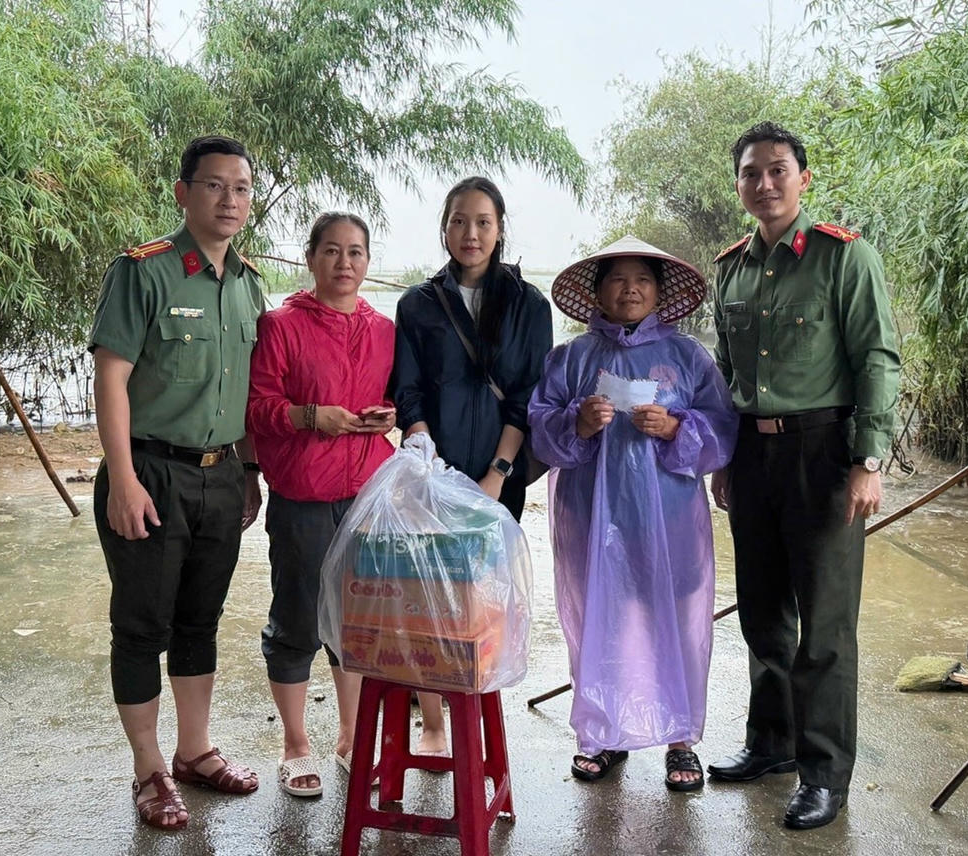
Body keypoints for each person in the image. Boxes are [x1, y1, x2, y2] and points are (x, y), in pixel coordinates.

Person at [707, 122, 901, 830]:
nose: (764, 183)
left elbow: (877, 358)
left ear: (802, 178)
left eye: (777, 170)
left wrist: (866, 460)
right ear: (738, 185)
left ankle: (824, 774)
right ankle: (771, 744)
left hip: (822, 451)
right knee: (762, 612)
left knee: (824, 626)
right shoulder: (729, 267)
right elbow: (726, 372)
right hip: (752, 457)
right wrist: (724, 456)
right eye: (750, 173)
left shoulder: (842, 258)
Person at [90, 135, 264, 831]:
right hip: (151, 472)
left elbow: (248, 391)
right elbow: (111, 375)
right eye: (215, 185)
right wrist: (123, 480)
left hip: (222, 476)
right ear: (182, 192)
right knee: (141, 626)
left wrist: (249, 472)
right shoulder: (144, 272)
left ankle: (196, 751)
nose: (229, 199)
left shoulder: (249, 285)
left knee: (200, 621)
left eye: (242, 187)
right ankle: (148, 767)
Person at [528, 237, 737, 790]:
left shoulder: (690, 358)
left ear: (658, 291)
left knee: (675, 619)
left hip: (668, 520)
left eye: (641, 279)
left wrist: (675, 428)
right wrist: (577, 422)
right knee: (599, 619)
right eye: (617, 280)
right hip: (590, 517)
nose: (630, 289)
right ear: (598, 292)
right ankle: (603, 735)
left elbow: (722, 432)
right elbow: (540, 429)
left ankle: (681, 739)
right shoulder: (570, 357)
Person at [391, 176, 553, 754]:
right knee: (425, 597)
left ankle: (476, 713)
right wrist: (424, 451)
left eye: (483, 222)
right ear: (444, 228)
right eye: (459, 221)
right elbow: (407, 390)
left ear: (500, 228)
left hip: (496, 474)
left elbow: (527, 397)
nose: (471, 233)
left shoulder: (529, 305)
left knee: (480, 599)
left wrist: (498, 475)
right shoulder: (417, 304)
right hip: (431, 473)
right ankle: (433, 723)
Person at [246, 212, 396, 798]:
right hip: (303, 496)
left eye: (356, 253)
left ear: (367, 262)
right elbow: (258, 411)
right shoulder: (280, 325)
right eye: (332, 251)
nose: (344, 264)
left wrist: (385, 415)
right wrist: (312, 417)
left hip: (367, 498)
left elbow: (390, 398)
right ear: (310, 259)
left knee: (356, 625)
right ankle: (295, 744)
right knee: (299, 620)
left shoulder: (383, 329)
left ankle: (352, 737)